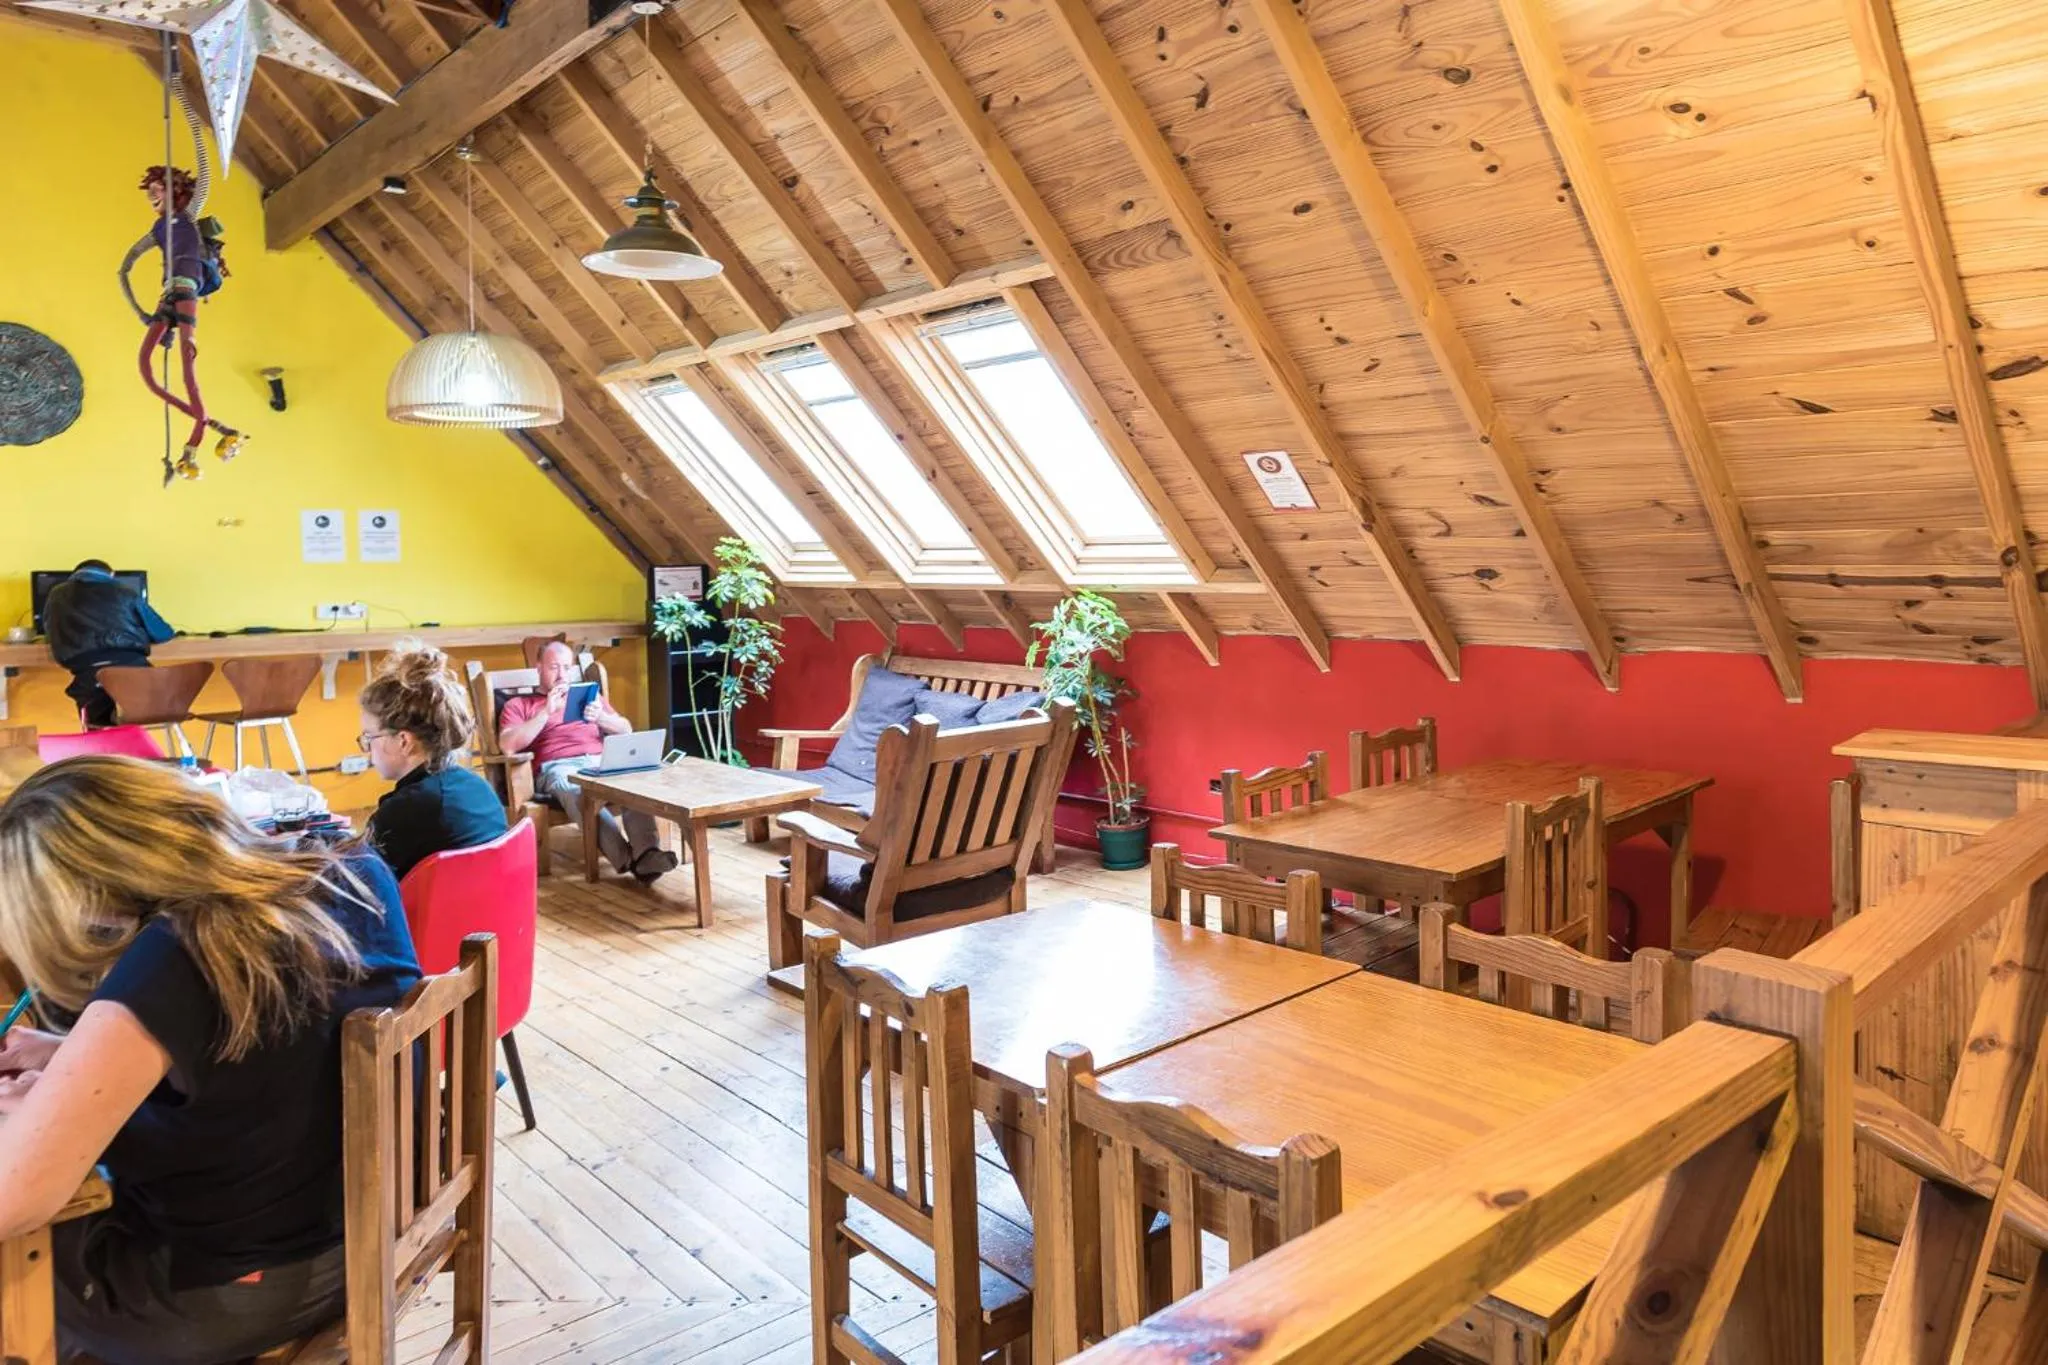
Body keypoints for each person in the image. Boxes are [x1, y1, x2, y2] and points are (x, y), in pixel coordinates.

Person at [0, 757, 419, 1365]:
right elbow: (265, 1056)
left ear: (84, 892)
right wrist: (74, 1060)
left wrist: (36, 1112)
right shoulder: (350, 871)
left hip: (231, 1294)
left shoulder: (173, 955)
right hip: (363, 1236)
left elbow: (14, 1199)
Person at [497, 641, 676, 883]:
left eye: (566, 667)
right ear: (538, 667)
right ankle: (627, 859)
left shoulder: (589, 696)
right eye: (553, 667)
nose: (561, 674)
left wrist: (601, 717)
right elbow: (508, 744)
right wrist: (545, 713)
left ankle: (646, 852)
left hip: (601, 761)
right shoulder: (520, 705)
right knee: (577, 791)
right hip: (558, 767)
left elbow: (626, 729)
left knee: (633, 784)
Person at [359, 643, 508, 880]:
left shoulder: (404, 811)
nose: (367, 749)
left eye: (369, 737)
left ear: (403, 741)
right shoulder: (479, 788)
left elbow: (361, 885)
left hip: (430, 916)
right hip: (492, 913)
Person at [42, 559, 177, 727]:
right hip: (135, 673)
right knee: (138, 712)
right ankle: (133, 738)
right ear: (111, 575)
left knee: (98, 723)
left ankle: (105, 740)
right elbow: (163, 633)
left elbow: (49, 629)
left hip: (88, 677)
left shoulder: (57, 594)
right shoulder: (126, 592)